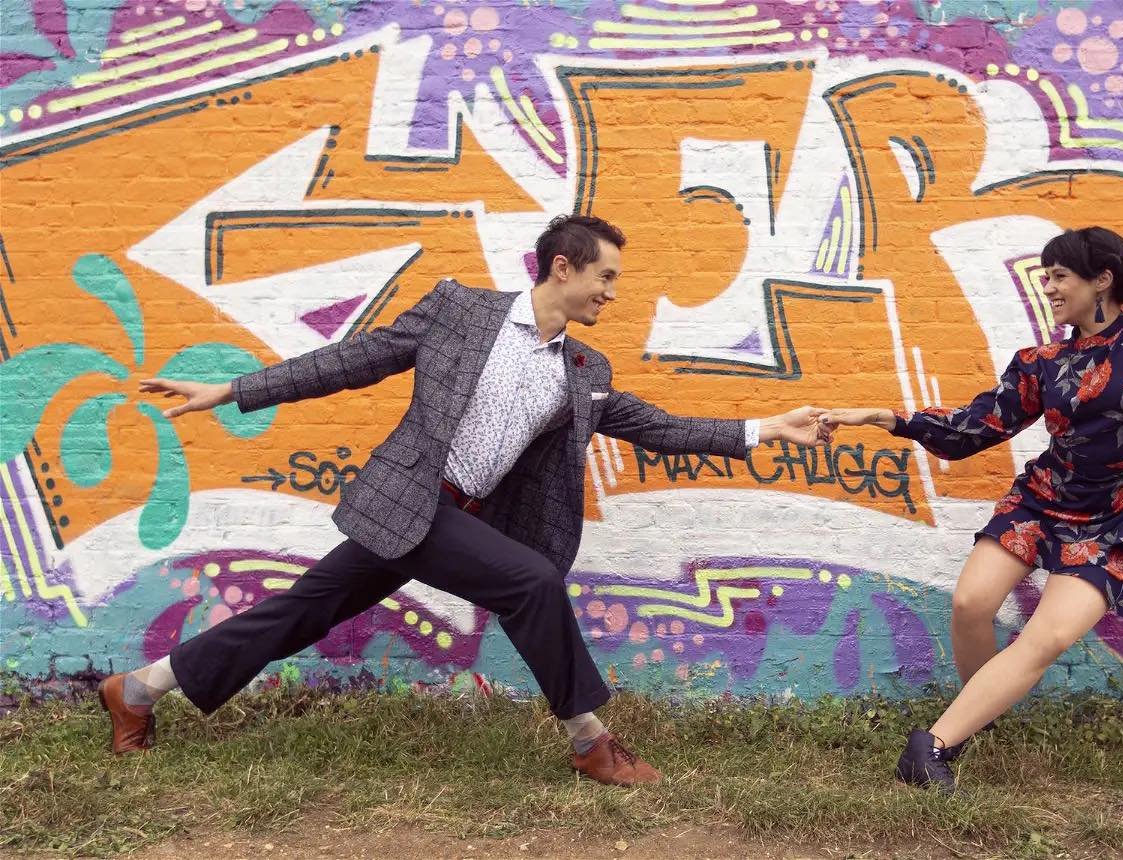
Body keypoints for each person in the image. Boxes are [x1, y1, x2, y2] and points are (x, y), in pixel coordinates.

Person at [99, 214, 827, 786]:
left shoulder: (584, 368)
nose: (612, 292)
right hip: (410, 500)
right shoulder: (459, 311)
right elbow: (355, 359)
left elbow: (658, 427)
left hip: (454, 517)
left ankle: (138, 689)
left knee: (302, 610)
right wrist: (234, 389)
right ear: (563, 267)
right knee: (530, 583)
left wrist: (766, 427)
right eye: (605, 276)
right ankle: (589, 739)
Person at [817, 101, 1123, 791]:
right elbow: (973, 431)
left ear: (1102, 279)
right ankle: (973, 722)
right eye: (1045, 276)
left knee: (1047, 636)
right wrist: (888, 418)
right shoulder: (1041, 364)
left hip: (1122, 519)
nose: (1047, 286)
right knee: (971, 604)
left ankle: (934, 747)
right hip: (1044, 501)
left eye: (1058, 276)